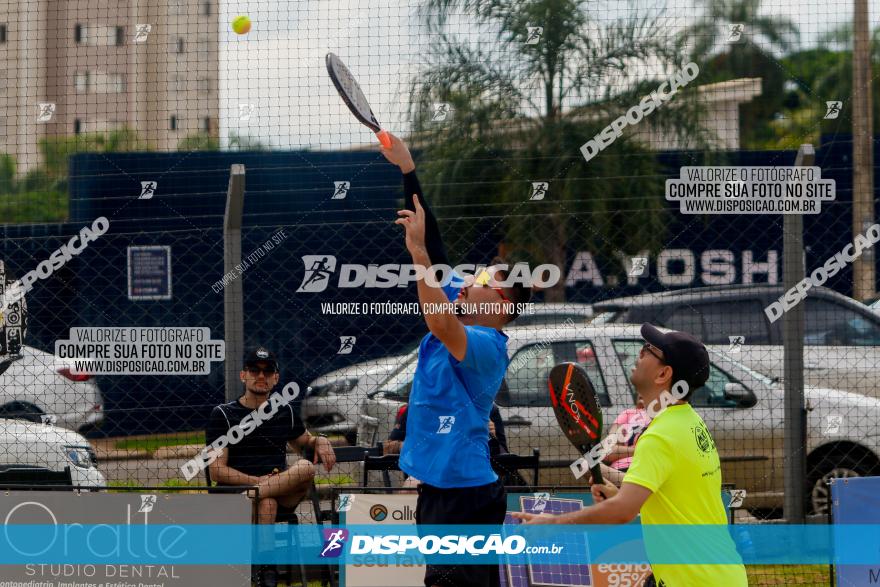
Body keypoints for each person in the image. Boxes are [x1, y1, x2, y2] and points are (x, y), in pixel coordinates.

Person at [381, 133, 532, 587]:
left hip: (465, 495)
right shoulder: (464, 310)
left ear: (502, 302)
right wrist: (407, 168)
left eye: (482, 277)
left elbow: (440, 324)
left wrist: (419, 255)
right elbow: (435, 242)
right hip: (440, 489)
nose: (468, 281)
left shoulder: (487, 345)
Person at [514, 324, 748, 587]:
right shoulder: (688, 421)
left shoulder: (660, 436)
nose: (640, 352)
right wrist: (621, 495)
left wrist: (553, 524)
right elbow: (674, 501)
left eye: (649, 350)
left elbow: (621, 512)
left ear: (663, 374)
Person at [205, 347, 337, 587]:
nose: (261, 376)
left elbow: (305, 443)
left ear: (276, 378)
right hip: (238, 493)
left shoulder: (283, 410)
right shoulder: (223, 415)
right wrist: (256, 483)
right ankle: (267, 569)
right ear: (243, 375)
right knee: (267, 502)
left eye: (268, 372)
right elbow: (217, 471)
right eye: (254, 370)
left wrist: (322, 440)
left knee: (306, 467)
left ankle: (263, 565)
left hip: (276, 491)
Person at [384, 400, 509, 487]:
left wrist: (493, 437)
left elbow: (504, 457)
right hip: (427, 481)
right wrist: (418, 445)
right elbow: (387, 449)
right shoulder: (416, 407)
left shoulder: (487, 408)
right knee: (412, 486)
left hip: (474, 482)